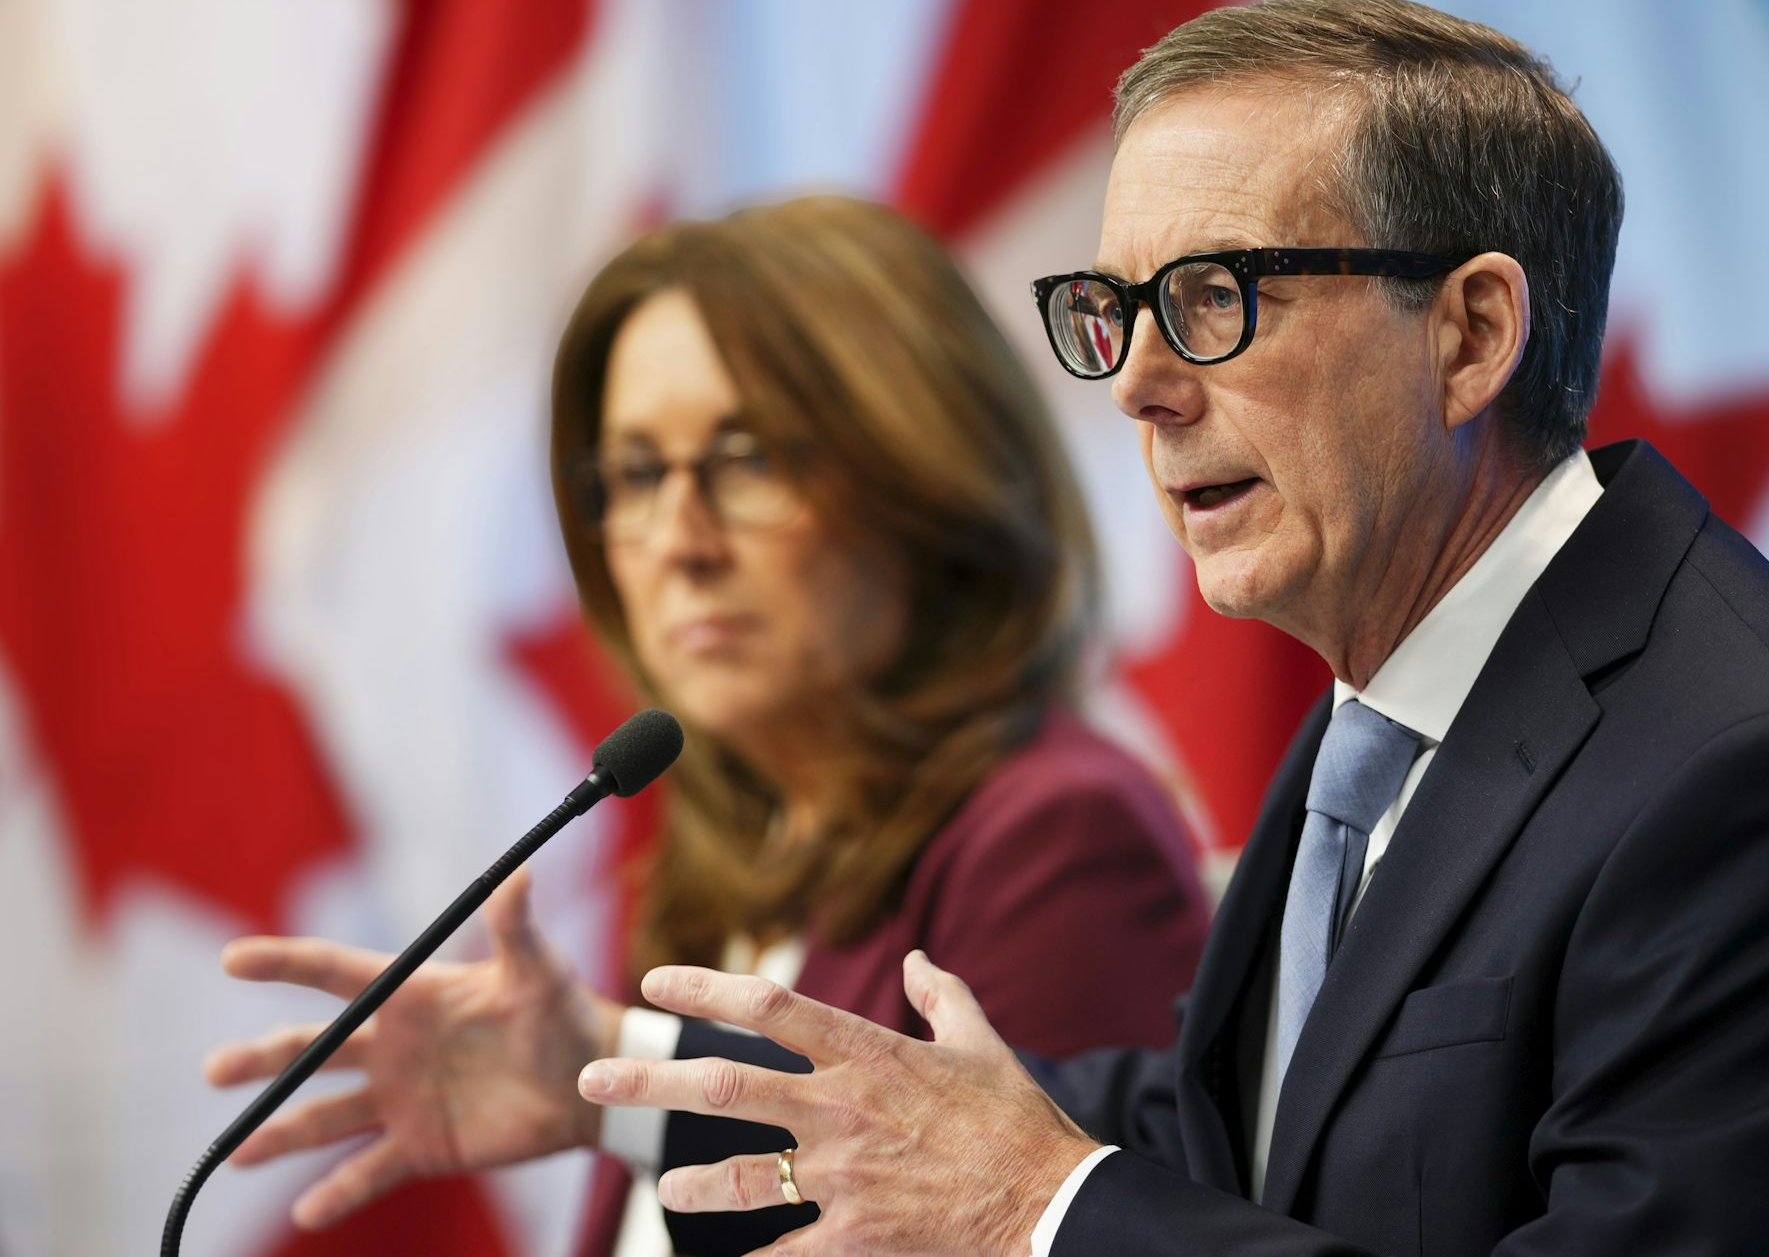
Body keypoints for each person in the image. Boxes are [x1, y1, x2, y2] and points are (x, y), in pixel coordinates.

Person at [572, 0, 1769, 1257]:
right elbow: (1230, 1129)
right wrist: (604, 1076)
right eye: (1114, 310)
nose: (1139, 386)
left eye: (1216, 298)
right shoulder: (1387, 713)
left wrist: (1053, 1211)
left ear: (1470, 333)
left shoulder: (1768, 770)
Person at [203, 194, 1211, 1257]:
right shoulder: (732, 871)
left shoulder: (1055, 836)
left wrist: (620, 1070)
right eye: (636, 473)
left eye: (748, 458)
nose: (678, 540)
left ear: (929, 478)